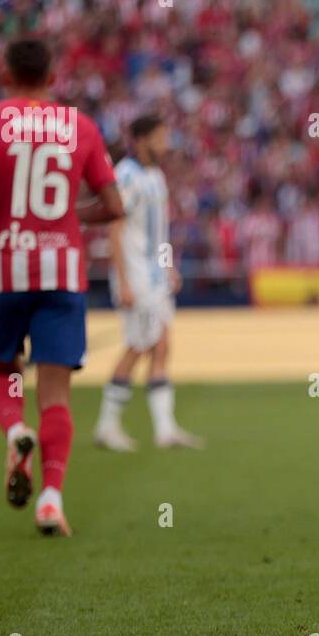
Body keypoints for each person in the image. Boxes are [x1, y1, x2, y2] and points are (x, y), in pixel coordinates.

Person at [0, 38, 123, 536]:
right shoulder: (80, 126)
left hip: (4, 267)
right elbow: (114, 207)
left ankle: (15, 429)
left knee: (2, 371)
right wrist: (67, 215)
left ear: (4, 74)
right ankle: (51, 498)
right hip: (60, 273)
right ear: (53, 78)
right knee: (56, 395)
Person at [94, 115, 204, 451]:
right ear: (141, 139)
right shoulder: (125, 176)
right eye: (160, 137)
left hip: (156, 276)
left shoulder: (156, 176)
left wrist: (168, 267)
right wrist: (123, 281)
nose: (166, 144)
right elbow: (114, 228)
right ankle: (107, 424)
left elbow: (160, 231)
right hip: (137, 275)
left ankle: (165, 429)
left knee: (162, 345)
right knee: (140, 345)